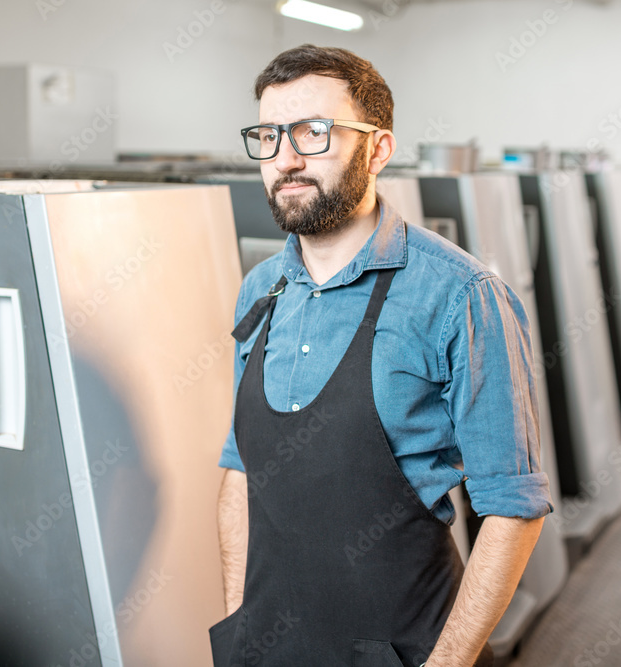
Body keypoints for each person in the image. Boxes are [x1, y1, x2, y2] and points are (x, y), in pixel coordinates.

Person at [211, 44, 553, 667]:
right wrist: (239, 623)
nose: (285, 159)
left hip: (402, 649)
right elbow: (239, 471)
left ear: (378, 148)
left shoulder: (462, 297)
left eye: (314, 133)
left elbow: (513, 508)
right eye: (268, 135)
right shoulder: (260, 290)